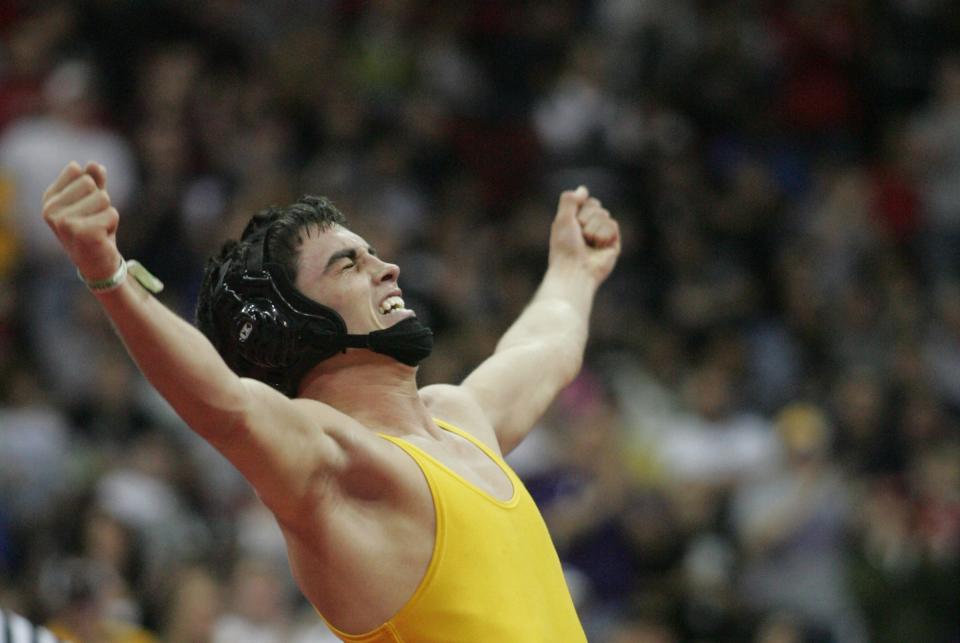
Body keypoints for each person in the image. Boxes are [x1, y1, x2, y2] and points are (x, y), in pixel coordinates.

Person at [41, 160, 620, 641]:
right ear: (296, 324)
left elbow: (547, 345)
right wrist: (109, 274)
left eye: (371, 253)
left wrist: (574, 269)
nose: (388, 267)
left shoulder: (459, 418)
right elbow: (223, 406)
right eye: (350, 264)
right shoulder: (338, 465)